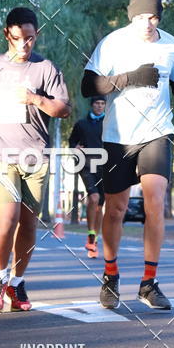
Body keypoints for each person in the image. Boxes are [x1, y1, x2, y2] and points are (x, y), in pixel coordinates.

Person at [82, 0, 174, 311]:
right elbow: (88, 85)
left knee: (154, 203)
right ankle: (110, 275)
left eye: (153, 17)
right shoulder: (113, 43)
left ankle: (149, 283)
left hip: (157, 132)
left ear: (159, 17)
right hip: (118, 135)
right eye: (141, 17)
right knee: (115, 208)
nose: (147, 23)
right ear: (132, 16)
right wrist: (130, 78)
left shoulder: (172, 45)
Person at [0, 6, 70, 313]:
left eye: (29, 39)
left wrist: (35, 99)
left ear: (36, 35)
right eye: (17, 39)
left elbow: (63, 109)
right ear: (7, 35)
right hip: (1, 152)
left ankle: (16, 282)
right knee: (8, 218)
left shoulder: (46, 69)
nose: (23, 45)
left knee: (29, 224)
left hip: (35, 155)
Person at [68, 97, 106, 258]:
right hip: (86, 166)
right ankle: (91, 234)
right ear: (92, 105)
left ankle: (94, 240)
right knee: (94, 198)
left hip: (105, 168)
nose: (100, 106)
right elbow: (72, 143)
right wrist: (75, 148)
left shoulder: (110, 123)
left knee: (99, 206)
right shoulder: (81, 124)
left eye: (103, 103)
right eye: (97, 103)